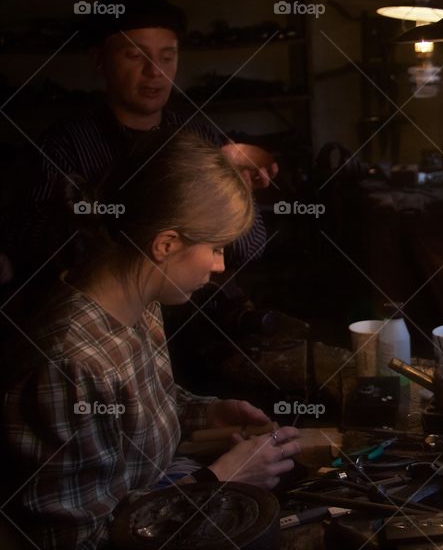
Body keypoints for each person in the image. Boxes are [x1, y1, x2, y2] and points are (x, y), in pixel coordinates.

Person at [1, 131, 300, 549]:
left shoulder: (140, 302)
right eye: (215, 248)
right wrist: (221, 479)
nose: (219, 265)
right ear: (166, 244)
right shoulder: (70, 364)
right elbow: (76, 540)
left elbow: (132, 413)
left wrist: (205, 414)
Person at [6, 0, 275, 286]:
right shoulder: (63, 145)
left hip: (197, 316)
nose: (155, 71)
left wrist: (234, 188)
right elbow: (33, 251)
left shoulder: (199, 136)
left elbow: (251, 250)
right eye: (135, 55)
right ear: (99, 59)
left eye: (168, 56)